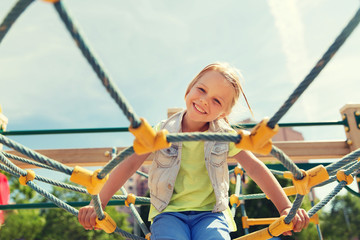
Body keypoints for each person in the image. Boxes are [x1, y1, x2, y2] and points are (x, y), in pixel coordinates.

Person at [78, 62, 310, 239]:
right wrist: (98, 202)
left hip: (211, 215)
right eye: (201, 90)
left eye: (217, 101)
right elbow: (129, 164)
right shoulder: (161, 133)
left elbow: (256, 168)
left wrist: (285, 206)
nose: (205, 100)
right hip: (167, 212)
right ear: (189, 89)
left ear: (224, 114)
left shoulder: (225, 135)